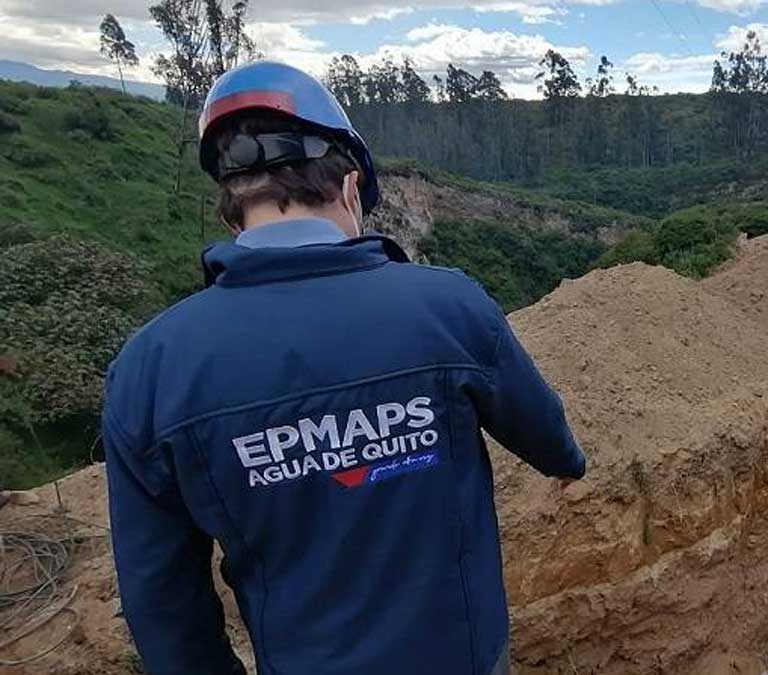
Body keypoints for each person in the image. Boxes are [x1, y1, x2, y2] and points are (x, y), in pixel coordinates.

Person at [102, 61, 585, 675]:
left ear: (231, 212)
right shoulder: (448, 306)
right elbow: (537, 423)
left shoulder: (149, 369)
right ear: (352, 189)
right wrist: (567, 462)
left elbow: (160, 596)